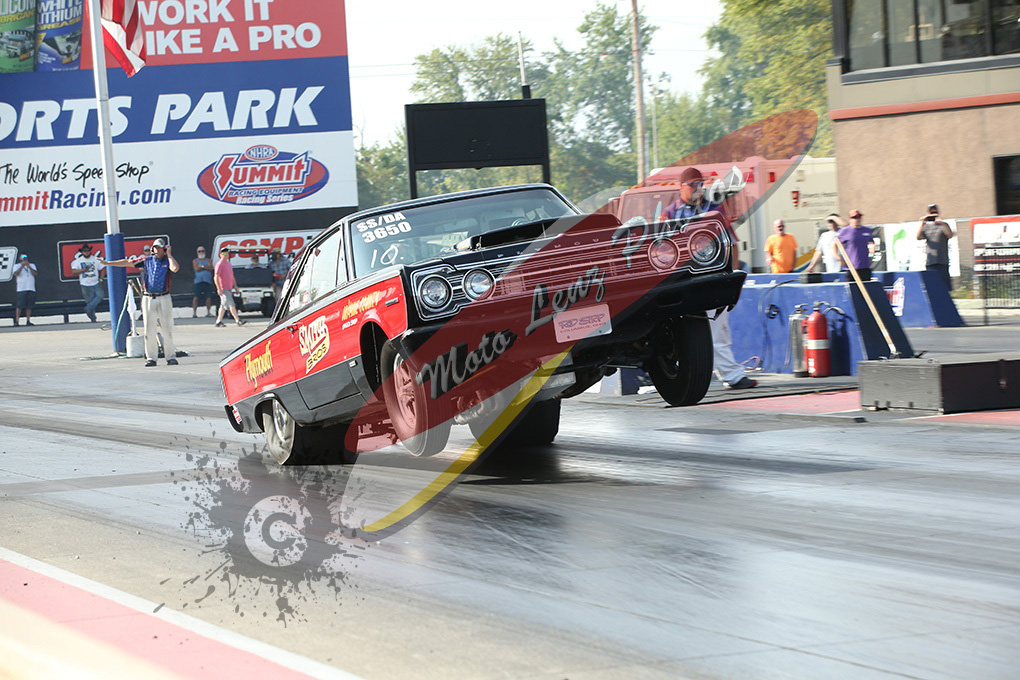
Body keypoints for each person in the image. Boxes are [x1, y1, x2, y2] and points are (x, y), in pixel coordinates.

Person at [102, 238, 180, 366]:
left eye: (159, 248)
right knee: (149, 329)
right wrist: (108, 263)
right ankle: (151, 357)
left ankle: (170, 356)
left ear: (164, 249)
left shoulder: (168, 260)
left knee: (167, 328)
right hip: (148, 297)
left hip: (164, 297)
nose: (156, 250)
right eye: (155, 248)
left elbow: (175, 268)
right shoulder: (147, 260)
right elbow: (128, 262)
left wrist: (170, 255)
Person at [711, 244, 757, 390]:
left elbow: (732, 246)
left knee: (718, 332)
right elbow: (732, 246)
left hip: (710, 279)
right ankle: (732, 375)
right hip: (709, 280)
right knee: (717, 333)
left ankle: (731, 375)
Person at [916, 203, 954, 291]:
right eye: (931, 213)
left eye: (935, 213)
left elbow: (950, 235)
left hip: (942, 260)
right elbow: (918, 237)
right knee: (932, 285)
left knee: (944, 285)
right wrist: (922, 223)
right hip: (931, 261)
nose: (933, 215)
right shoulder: (926, 227)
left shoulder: (944, 225)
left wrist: (941, 223)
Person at [836, 209, 876, 281]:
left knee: (866, 285)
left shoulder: (867, 230)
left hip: (865, 266)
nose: (857, 219)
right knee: (852, 286)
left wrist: (872, 256)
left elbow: (872, 243)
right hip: (851, 267)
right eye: (854, 217)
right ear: (850, 219)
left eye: (859, 217)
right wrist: (839, 258)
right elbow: (835, 244)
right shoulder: (844, 231)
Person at [71, 243, 105, 322]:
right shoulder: (78, 261)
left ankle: (88, 309)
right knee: (89, 301)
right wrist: (83, 270)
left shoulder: (95, 259)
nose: (86, 252)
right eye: (85, 251)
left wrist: (101, 279)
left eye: (88, 251)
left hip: (96, 282)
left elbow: (103, 268)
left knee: (100, 295)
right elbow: (73, 271)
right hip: (85, 283)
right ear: (82, 252)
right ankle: (93, 318)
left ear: (90, 251)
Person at [213, 247, 245, 328]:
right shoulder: (219, 264)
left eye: (227, 254)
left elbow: (232, 276)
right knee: (231, 304)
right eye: (224, 254)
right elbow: (216, 277)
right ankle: (238, 320)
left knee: (223, 306)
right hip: (223, 288)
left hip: (229, 288)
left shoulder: (228, 264)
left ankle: (218, 321)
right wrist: (219, 288)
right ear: (220, 255)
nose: (226, 255)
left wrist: (235, 286)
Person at [13, 254, 37, 327]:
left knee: (29, 306)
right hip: (21, 289)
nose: (24, 259)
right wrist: (22, 266)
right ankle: (17, 321)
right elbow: (16, 274)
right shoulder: (17, 266)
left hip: (31, 288)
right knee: (20, 306)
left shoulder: (32, 265)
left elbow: (35, 273)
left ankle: (28, 320)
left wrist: (28, 266)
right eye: (22, 257)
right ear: (20, 259)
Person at [192, 246, 215, 317]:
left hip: (207, 281)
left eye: (202, 251)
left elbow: (210, 268)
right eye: (199, 251)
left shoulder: (209, 260)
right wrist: (205, 267)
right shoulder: (195, 260)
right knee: (196, 297)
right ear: (197, 252)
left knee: (208, 297)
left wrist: (201, 266)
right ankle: (194, 313)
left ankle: (208, 312)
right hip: (198, 282)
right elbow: (196, 269)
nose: (201, 252)